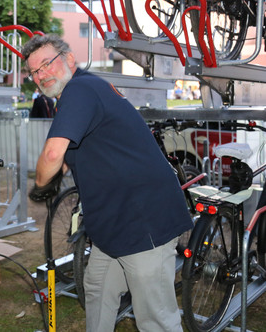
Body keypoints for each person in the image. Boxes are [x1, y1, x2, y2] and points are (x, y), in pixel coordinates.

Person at [24, 34, 192, 331]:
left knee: (156, 318)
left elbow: (53, 152)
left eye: (47, 64)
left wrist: (39, 184)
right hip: (113, 224)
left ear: (69, 60)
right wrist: (55, 175)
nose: (42, 74)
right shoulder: (81, 93)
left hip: (143, 221)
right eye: (35, 71)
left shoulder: (80, 89)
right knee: (98, 288)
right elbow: (68, 156)